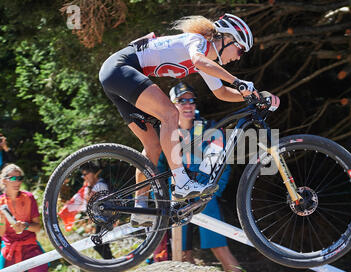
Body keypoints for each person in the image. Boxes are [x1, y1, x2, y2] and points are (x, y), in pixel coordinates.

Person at [98, 13, 280, 226]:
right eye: (240, 49)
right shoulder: (199, 42)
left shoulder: (206, 61)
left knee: (153, 146)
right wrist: (238, 81)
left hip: (115, 76)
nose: (239, 57)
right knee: (171, 114)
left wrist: (255, 95)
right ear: (227, 38)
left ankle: (140, 208)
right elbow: (199, 61)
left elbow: (221, 92)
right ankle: (181, 182)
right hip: (119, 69)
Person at [150, 82, 241, 272]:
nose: (188, 105)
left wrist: (214, 193)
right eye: (182, 100)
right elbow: (156, 170)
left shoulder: (210, 129)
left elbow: (223, 166)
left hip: (204, 194)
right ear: (172, 104)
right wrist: (158, 198)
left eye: (191, 100)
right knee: (182, 254)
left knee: (220, 248)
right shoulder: (167, 132)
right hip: (177, 198)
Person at [0, 164, 53, 272]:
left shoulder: (28, 197)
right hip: (10, 252)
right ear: (4, 180)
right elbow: (1, 234)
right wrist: (1, 220)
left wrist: (25, 226)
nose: (18, 181)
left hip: (31, 248)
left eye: (20, 178)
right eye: (13, 178)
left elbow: (37, 227)